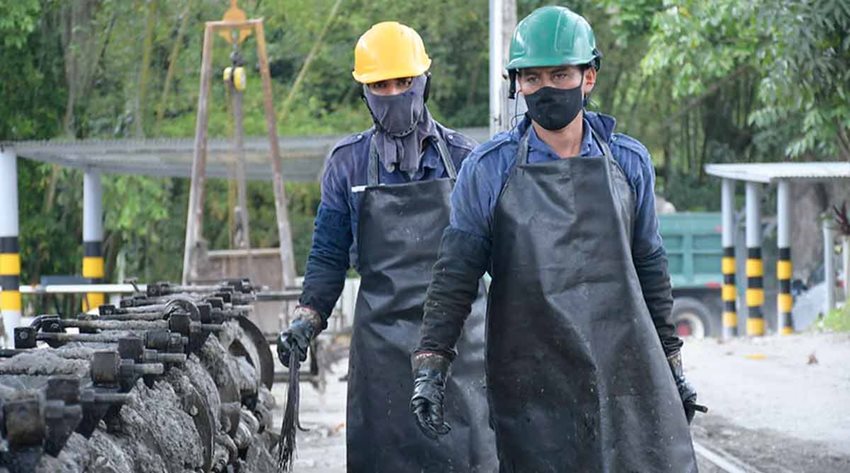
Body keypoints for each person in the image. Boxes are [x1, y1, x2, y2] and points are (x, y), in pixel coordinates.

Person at [409, 6, 703, 472]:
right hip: (532, 382)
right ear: (517, 85)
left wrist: (673, 364)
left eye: (560, 73)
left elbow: (649, 265)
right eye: (532, 78)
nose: (546, 88)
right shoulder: (487, 170)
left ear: (589, 76)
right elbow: (456, 274)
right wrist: (432, 363)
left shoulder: (629, 162)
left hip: (623, 373)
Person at [276, 21, 496, 472]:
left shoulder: (468, 160)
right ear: (364, 93)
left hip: (462, 353)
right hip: (382, 357)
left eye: (404, 83)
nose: (394, 94)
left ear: (424, 83)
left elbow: (504, 259)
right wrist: (306, 318)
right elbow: (327, 256)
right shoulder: (347, 165)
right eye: (380, 85)